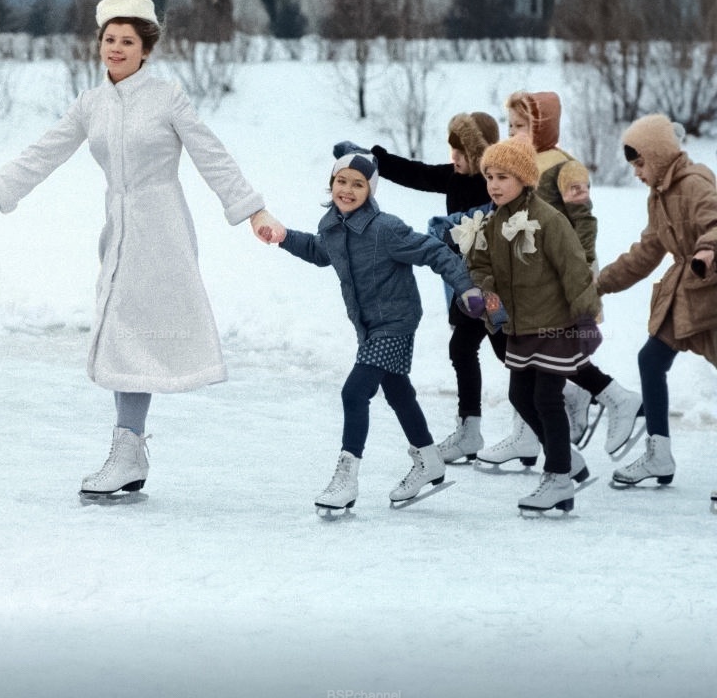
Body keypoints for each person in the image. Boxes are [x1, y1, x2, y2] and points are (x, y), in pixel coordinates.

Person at [0, 0, 279, 500]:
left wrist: (253, 210)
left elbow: (212, 156)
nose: (116, 48)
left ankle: (127, 450)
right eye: (109, 39)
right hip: (119, 230)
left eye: (127, 41)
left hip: (162, 229)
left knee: (132, 332)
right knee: (123, 333)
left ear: (145, 49)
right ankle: (129, 452)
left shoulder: (168, 97)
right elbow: (43, 152)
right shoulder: (91, 104)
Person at [257, 150, 484, 510]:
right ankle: (429, 458)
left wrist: (466, 287)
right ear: (331, 184)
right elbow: (320, 251)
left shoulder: (386, 229)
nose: (347, 190)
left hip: (397, 321)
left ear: (370, 190)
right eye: (341, 181)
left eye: (358, 184)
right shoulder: (331, 225)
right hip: (368, 327)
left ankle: (347, 478)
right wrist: (283, 237)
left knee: (354, 392)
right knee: (397, 391)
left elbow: (436, 252)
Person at [480, 90, 641, 462]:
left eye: (524, 125)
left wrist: (583, 272)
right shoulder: (510, 166)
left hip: (565, 275)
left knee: (552, 350)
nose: (515, 132)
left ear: (545, 125)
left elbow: (583, 222)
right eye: (511, 125)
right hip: (527, 281)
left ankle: (611, 400)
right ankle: (542, 428)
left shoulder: (566, 166)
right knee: (533, 358)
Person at [468, 137, 602, 513]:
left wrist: (586, 320)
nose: (494, 184)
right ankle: (566, 458)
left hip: (555, 324)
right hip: (521, 328)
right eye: (489, 176)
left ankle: (558, 477)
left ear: (525, 178)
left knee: (546, 398)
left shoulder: (547, 219)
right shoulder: (493, 223)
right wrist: (488, 297)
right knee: (520, 396)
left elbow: (575, 269)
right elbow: (480, 267)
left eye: (503, 177)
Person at [365, 111, 503, 464]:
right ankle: (470, 430)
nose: (453, 158)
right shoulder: (453, 177)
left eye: (461, 152)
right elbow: (417, 173)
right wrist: (377, 159)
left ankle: (545, 417)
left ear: (480, 153)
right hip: (462, 282)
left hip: (494, 284)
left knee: (509, 353)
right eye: (451, 150)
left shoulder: (496, 185)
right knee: (462, 349)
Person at [595, 114, 717, 488]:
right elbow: (647, 252)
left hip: (710, 293)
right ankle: (658, 454)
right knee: (650, 359)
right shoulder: (659, 197)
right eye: (633, 165)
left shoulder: (696, 183)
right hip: (683, 298)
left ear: (660, 156)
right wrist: (599, 284)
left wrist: (708, 250)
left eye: (641, 163)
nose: (637, 173)